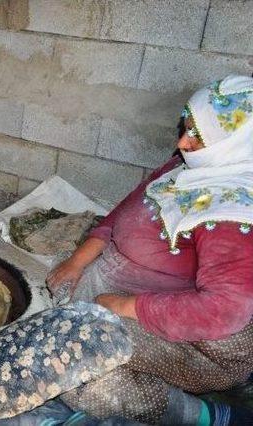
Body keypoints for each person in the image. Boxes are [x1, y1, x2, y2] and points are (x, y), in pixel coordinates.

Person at [45, 74, 253, 425]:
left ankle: (207, 413)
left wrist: (121, 306)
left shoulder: (232, 215)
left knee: (83, 383)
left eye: (198, 137)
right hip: (138, 291)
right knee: (61, 311)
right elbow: (130, 205)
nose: (182, 143)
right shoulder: (193, 168)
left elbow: (224, 311)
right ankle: (159, 379)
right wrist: (78, 260)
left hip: (202, 340)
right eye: (187, 127)